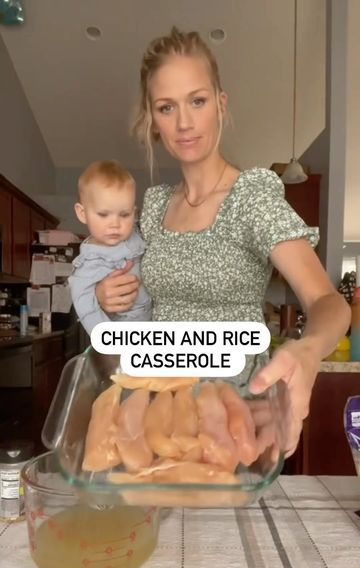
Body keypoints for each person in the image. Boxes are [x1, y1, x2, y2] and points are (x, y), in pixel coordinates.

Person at [95, 27, 350, 458]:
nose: (184, 122)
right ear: (152, 120)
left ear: (220, 103)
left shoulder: (251, 196)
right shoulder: (155, 206)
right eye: (166, 107)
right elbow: (143, 304)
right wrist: (108, 297)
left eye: (197, 100)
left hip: (234, 422)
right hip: (159, 417)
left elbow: (329, 301)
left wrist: (307, 351)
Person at [68, 160, 152, 335]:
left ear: (134, 212)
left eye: (124, 214)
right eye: (103, 214)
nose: (115, 224)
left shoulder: (137, 233)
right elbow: (86, 309)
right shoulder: (89, 263)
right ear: (82, 213)